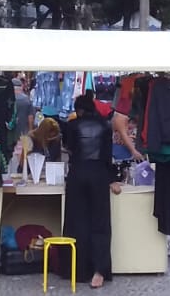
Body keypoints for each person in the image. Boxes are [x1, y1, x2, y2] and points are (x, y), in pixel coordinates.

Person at [61, 93, 121, 289]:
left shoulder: (72, 126)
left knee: (77, 222)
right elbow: (107, 156)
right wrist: (112, 179)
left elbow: (69, 148)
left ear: (79, 110)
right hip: (99, 175)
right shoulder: (105, 126)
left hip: (78, 174)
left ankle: (77, 270)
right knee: (100, 223)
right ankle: (99, 271)